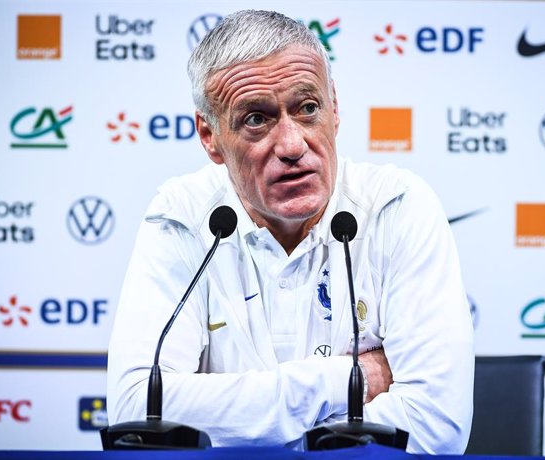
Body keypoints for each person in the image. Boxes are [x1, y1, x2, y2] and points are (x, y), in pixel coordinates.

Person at [106, 9, 474, 454]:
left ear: (334, 108)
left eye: (308, 108)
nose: (293, 145)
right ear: (210, 135)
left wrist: (248, 433)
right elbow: (136, 414)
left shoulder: (396, 208)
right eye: (256, 119)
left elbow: (436, 428)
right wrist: (345, 381)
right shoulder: (182, 215)